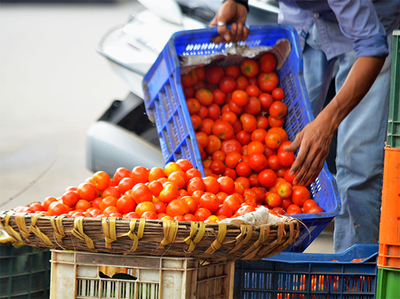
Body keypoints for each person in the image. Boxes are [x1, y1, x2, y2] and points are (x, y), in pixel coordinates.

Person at [210, 0, 400, 253]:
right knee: (281, 150)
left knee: (359, 167)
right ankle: (269, 268)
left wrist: (327, 124)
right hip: (303, 21)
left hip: (372, 23)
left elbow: (372, 49)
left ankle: (353, 276)